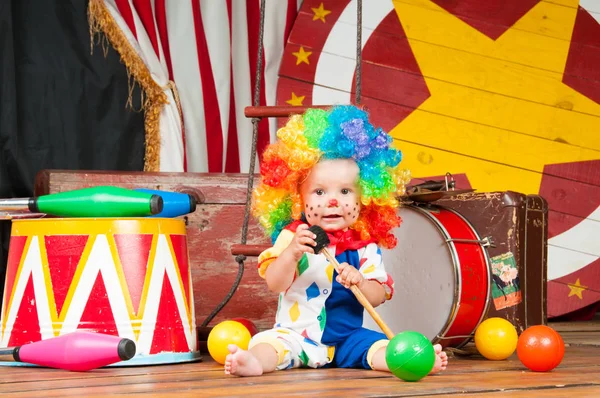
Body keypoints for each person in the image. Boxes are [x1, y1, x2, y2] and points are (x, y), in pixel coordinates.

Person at [225, 105, 448, 377]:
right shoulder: (293, 237)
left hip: (347, 339)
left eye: (345, 191)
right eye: (319, 191)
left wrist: (361, 282)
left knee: (377, 346)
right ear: (298, 198)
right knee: (271, 345)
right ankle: (253, 362)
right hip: (296, 335)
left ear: (366, 198)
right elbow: (275, 283)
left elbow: (378, 296)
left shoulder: (365, 245)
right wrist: (292, 254)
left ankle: (409, 359)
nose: (332, 201)